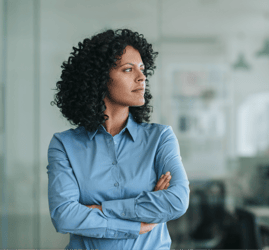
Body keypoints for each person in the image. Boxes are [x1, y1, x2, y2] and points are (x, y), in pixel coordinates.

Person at [47, 29, 190, 249]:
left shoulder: (160, 138)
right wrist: (139, 222)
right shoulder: (64, 145)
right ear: (100, 78)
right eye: (128, 69)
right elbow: (65, 216)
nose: (141, 77)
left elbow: (177, 201)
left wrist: (101, 209)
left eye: (142, 69)